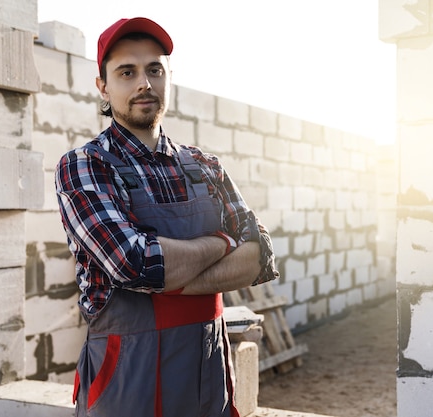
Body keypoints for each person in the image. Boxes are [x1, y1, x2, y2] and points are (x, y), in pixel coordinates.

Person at [55, 17, 279, 417]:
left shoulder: (205, 165)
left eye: (155, 69)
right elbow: (135, 264)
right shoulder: (85, 165)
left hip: (206, 378)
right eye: (127, 72)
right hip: (127, 383)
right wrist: (223, 243)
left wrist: (174, 269)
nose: (144, 83)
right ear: (103, 86)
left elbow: (260, 257)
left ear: (168, 78)